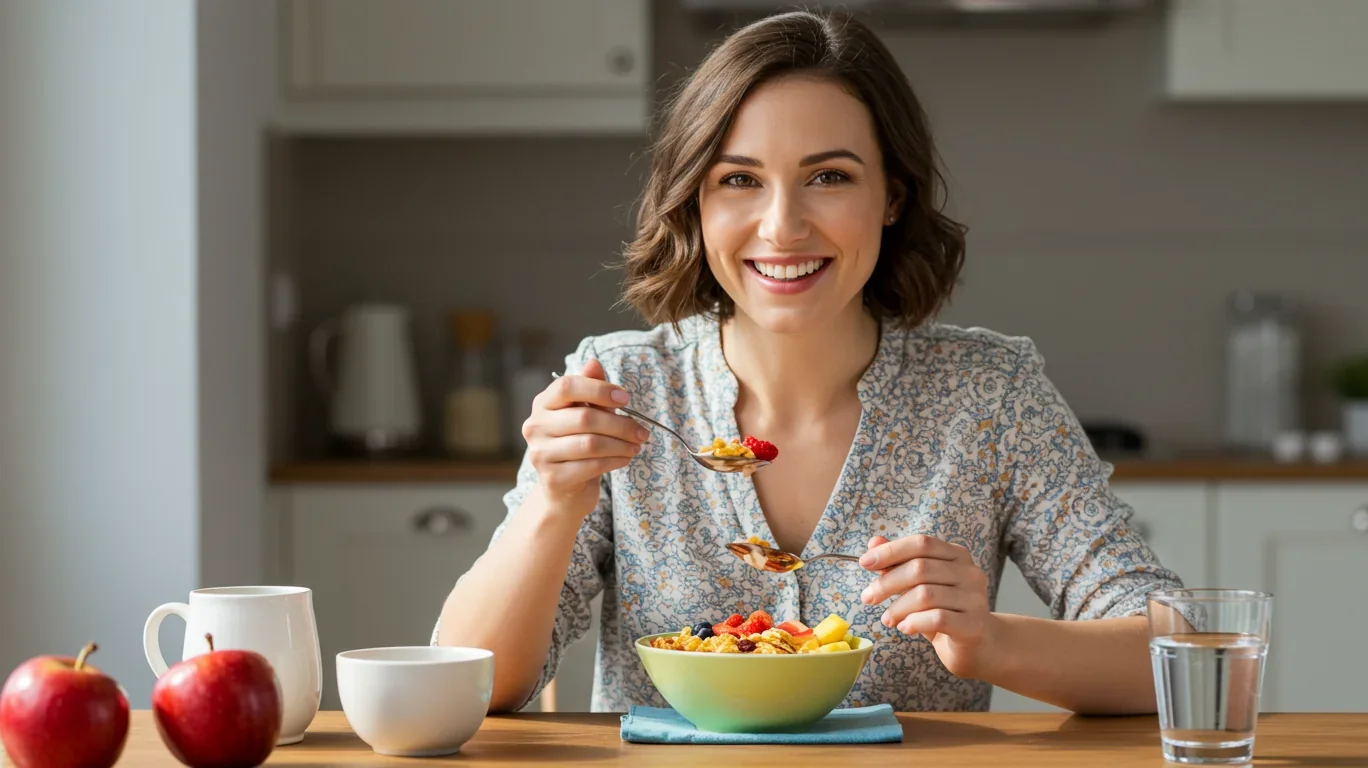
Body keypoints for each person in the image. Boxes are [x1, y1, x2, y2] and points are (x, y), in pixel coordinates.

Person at [433, 9, 1181, 715]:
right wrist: (552, 510)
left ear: (892, 194)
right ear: (695, 200)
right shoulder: (623, 387)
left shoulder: (989, 393)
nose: (782, 226)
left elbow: (1174, 653)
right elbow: (466, 683)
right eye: (739, 180)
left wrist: (991, 641)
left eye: (829, 176)